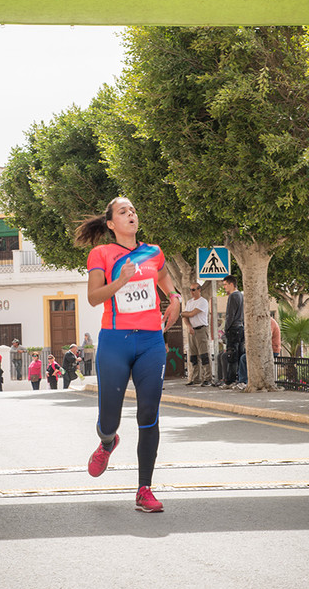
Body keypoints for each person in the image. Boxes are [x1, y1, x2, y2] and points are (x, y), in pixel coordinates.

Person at [75, 196, 181, 513]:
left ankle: (144, 489)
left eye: (133, 209)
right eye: (123, 211)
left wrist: (174, 298)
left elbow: (163, 278)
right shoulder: (102, 254)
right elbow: (94, 297)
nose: (131, 213)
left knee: (149, 413)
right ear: (111, 224)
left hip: (150, 342)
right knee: (110, 419)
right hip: (115, 342)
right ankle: (108, 442)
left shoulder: (154, 252)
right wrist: (120, 280)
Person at [182, 283, 211, 386]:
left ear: (199, 290)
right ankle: (195, 378)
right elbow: (185, 317)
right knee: (193, 356)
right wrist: (189, 326)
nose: (192, 292)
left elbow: (190, 314)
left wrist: (183, 313)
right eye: (190, 290)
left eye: (193, 290)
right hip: (191, 330)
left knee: (204, 355)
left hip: (201, 330)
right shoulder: (189, 302)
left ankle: (207, 378)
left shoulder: (203, 302)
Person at [220, 275, 245, 387]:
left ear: (231, 284)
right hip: (240, 327)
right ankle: (240, 379)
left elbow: (230, 315)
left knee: (231, 356)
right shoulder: (241, 295)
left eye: (225, 284)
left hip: (233, 329)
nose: (224, 287)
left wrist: (226, 329)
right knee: (240, 354)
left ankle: (230, 381)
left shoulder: (233, 296)